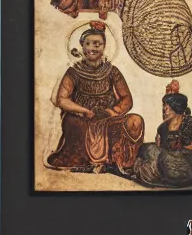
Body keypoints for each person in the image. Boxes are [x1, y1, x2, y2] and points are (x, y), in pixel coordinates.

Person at [46, 21, 144, 175]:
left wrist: (111, 112)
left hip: (108, 117)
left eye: (97, 44)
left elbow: (127, 99)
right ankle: (87, 163)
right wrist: (83, 110)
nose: (92, 48)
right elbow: (62, 99)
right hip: (82, 117)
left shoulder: (112, 71)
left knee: (135, 121)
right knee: (74, 124)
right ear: (82, 46)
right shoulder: (74, 72)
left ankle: (120, 163)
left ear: (104, 46)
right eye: (89, 43)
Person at [133, 80, 192, 187]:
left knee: (158, 155)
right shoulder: (162, 128)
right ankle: (150, 172)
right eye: (163, 106)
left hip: (187, 166)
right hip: (165, 164)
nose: (164, 110)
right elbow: (158, 150)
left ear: (175, 107)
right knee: (148, 149)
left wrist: (179, 149)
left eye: (166, 107)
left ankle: (152, 172)